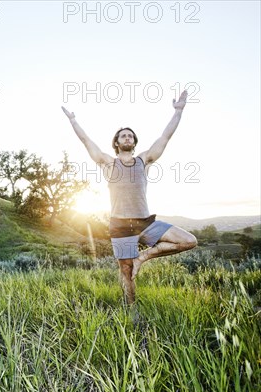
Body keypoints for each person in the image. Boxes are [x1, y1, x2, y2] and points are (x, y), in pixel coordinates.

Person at [62, 91, 197, 304]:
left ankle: (143, 257)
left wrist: (178, 111)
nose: (127, 137)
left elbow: (165, 137)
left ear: (134, 142)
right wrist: (73, 121)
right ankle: (132, 311)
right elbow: (86, 140)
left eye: (130, 135)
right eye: (123, 135)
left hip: (145, 223)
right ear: (116, 142)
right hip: (120, 226)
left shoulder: (144, 160)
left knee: (189, 241)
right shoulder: (107, 163)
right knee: (126, 271)